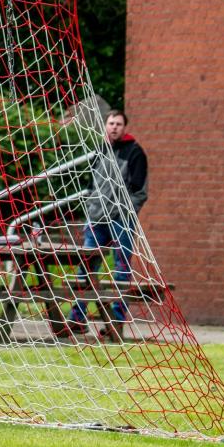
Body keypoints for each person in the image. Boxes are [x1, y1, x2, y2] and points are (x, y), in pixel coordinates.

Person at [69, 110, 148, 339]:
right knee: (86, 266)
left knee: (121, 268)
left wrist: (123, 211)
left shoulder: (134, 153)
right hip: (96, 218)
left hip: (120, 220)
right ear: (106, 126)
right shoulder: (100, 151)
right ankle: (78, 317)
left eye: (118, 124)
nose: (114, 127)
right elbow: (92, 185)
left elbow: (140, 192)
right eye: (111, 123)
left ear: (125, 127)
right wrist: (92, 207)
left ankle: (115, 321)